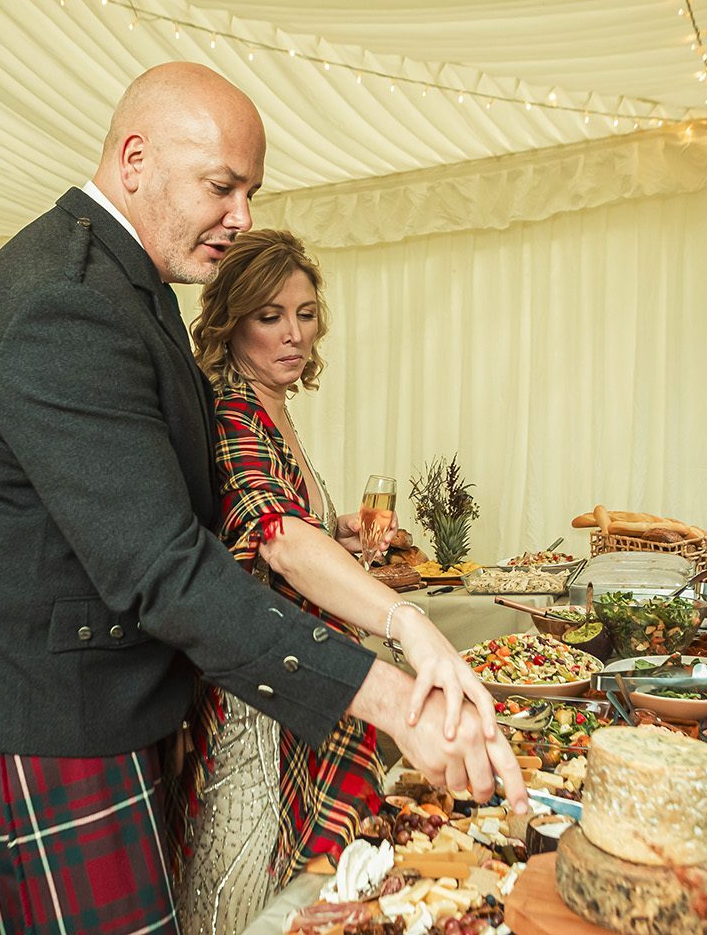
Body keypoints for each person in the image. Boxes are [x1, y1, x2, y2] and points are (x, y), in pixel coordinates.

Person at [0, 62, 521, 935]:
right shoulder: (65, 303)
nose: (243, 217)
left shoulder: (125, 283)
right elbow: (164, 566)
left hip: (95, 700)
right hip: (33, 717)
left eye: (250, 191)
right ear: (134, 159)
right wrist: (391, 697)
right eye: (222, 187)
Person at [174, 230, 509, 932]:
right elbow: (279, 540)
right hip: (258, 690)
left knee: (300, 877)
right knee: (245, 885)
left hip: (303, 673)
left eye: (305, 313)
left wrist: (340, 531)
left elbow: (287, 524)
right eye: (270, 316)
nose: (293, 334)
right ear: (231, 321)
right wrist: (407, 621)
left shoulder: (274, 404)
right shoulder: (232, 409)